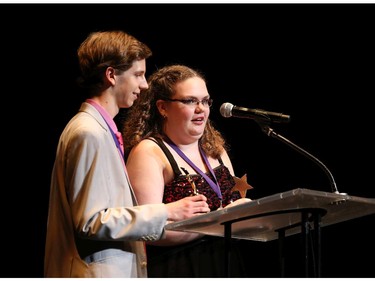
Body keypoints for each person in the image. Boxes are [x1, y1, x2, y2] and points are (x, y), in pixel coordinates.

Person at [44, 31, 210, 278]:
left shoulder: (99, 129)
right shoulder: (88, 132)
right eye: (138, 75)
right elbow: (91, 222)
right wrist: (167, 211)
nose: (144, 85)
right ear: (111, 75)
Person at [123, 64, 253, 277]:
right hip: (179, 266)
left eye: (205, 101)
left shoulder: (215, 148)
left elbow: (230, 205)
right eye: (190, 101)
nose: (201, 109)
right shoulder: (149, 152)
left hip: (226, 260)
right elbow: (147, 230)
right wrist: (219, 221)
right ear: (163, 107)